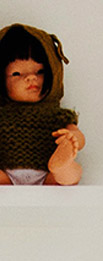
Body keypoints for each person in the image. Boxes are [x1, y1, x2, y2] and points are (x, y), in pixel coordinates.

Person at [0, 23, 84, 185]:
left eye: (39, 72)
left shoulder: (57, 116)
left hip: (47, 175)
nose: (31, 78)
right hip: (6, 176)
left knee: (73, 172)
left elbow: (78, 136)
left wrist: (72, 139)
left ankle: (61, 166)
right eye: (16, 74)